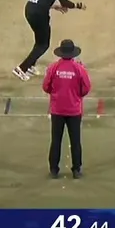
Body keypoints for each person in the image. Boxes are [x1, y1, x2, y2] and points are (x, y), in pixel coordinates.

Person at [13, 0, 84, 81]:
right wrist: (77, 5)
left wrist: (54, 6)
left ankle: (30, 66)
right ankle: (21, 69)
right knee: (43, 44)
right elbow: (64, 2)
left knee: (39, 41)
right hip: (39, 14)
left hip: (29, 9)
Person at [43, 39, 91, 179]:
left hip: (57, 109)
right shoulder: (79, 69)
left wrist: (55, 93)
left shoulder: (53, 68)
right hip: (74, 110)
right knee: (75, 141)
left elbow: (46, 86)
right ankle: (76, 170)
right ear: (73, 53)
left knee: (56, 140)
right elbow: (86, 87)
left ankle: (54, 169)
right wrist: (77, 95)